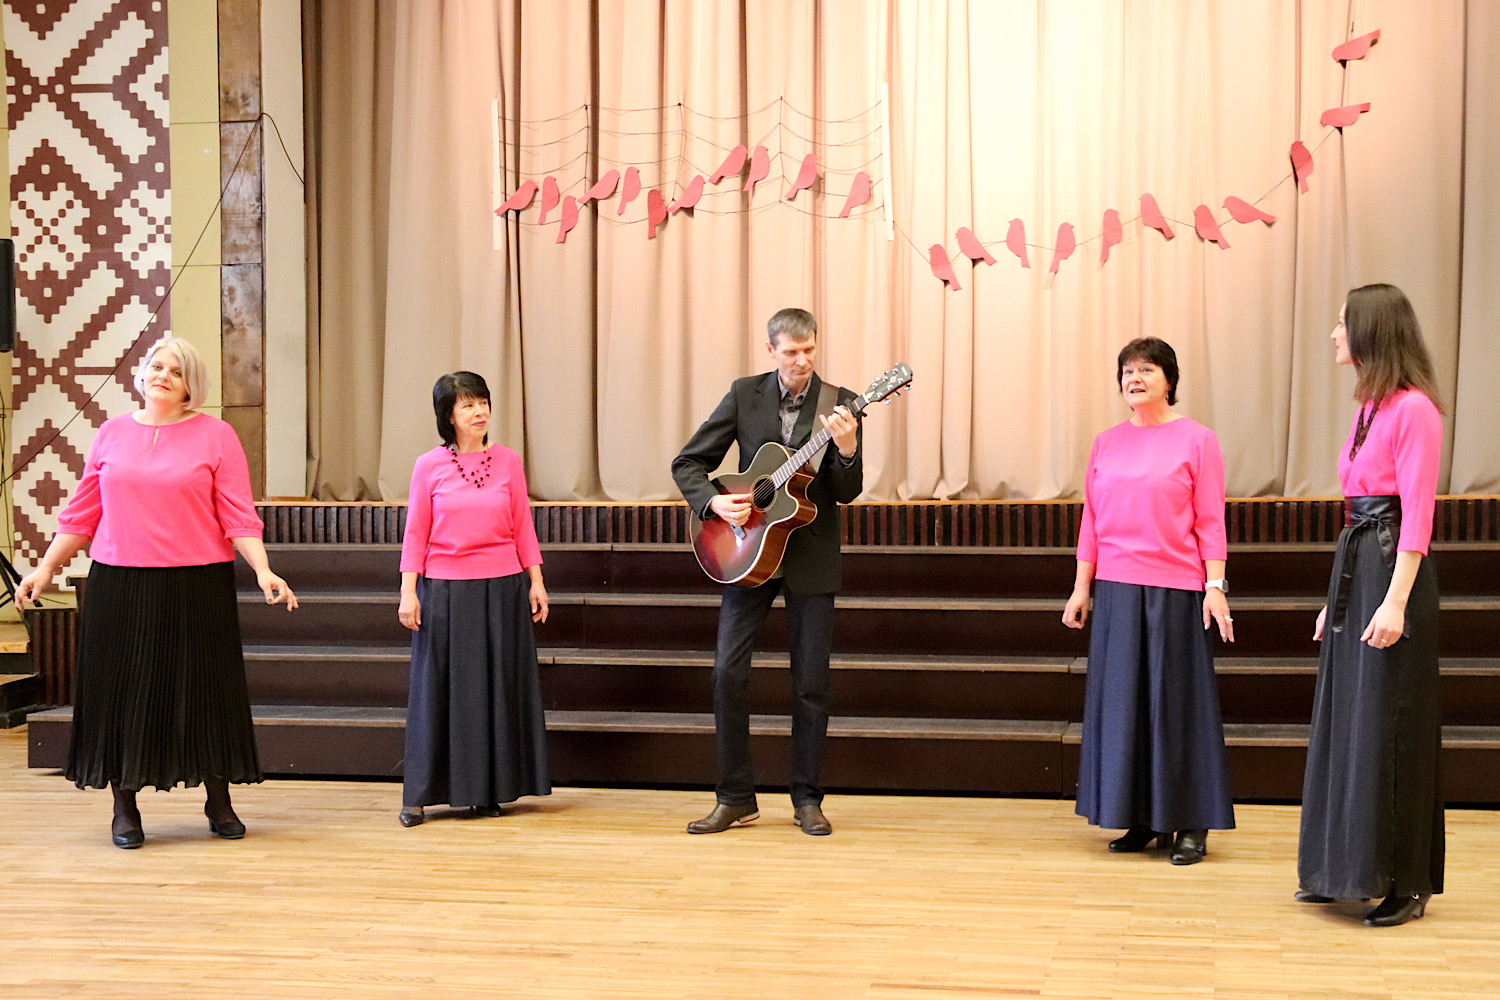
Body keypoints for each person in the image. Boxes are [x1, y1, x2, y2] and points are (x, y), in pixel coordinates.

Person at [14, 336, 298, 849]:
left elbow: (238, 514)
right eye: (156, 366)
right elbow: (82, 514)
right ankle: (124, 807)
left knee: (207, 691)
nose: (162, 375)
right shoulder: (111, 433)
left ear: (191, 386)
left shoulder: (216, 435)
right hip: (120, 580)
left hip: (197, 581)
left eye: (176, 370)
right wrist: (46, 568)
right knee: (120, 692)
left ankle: (218, 800)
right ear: (142, 374)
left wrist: (263, 569)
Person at [671, 307, 862, 836]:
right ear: (771, 350)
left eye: (810, 351)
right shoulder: (743, 394)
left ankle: (807, 799)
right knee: (727, 674)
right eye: (792, 352)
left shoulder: (841, 403)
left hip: (810, 556)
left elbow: (846, 492)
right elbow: (688, 463)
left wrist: (846, 449)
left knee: (810, 684)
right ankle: (735, 797)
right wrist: (714, 503)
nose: (803, 361)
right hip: (748, 551)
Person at [1296, 284, 1445, 926]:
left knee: (1391, 723)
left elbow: (1416, 518)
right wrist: (1338, 598)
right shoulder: (1369, 408)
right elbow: (1356, 511)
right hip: (1360, 566)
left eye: (1342, 324)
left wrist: (1395, 602)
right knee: (1350, 720)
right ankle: (1344, 868)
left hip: (1392, 569)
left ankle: (1406, 881)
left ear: (1370, 332)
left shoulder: (1415, 410)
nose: (1335, 334)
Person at [1063, 337, 1236, 864]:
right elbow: (1092, 521)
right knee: (1125, 711)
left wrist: (1215, 587)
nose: (1133, 379)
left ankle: (1191, 823)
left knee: (1176, 710)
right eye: (1126, 371)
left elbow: (1211, 521)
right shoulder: (1105, 443)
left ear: (1169, 380)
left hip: (1175, 589)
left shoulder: (1198, 440)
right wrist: (1081, 588)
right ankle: (1140, 815)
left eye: (1145, 370)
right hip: (1116, 589)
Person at [396, 371, 550, 827]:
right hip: (444, 589)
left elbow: (522, 526)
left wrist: (536, 581)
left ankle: (488, 792)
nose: (479, 411)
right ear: (448, 415)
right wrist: (408, 592)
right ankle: (419, 796)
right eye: (467, 405)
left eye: (482, 402)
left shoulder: (508, 461)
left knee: (495, 692)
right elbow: (415, 533)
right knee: (438, 693)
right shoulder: (428, 465)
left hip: (503, 587)